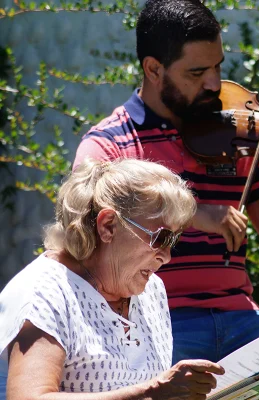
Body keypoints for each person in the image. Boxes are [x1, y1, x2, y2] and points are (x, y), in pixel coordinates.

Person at [73, 0, 259, 398]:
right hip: (158, 322)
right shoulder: (112, 141)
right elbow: (83, 207)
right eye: (197, 72)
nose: (214, 84)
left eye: (217, 67)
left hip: (240, 319)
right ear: (153, 69)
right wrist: (194, 214)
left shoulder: (240, 138)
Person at [0, 157, 225, 399]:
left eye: (174, 240)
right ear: (108, 226)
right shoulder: (45, 292)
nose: (167, 256)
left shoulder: (151, 290)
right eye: (161, 238)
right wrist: (153, 392)